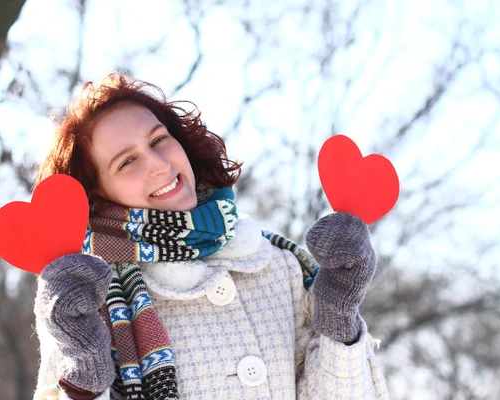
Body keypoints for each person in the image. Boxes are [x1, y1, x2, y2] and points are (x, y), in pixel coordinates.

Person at [32, 73, 389, 400]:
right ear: (97, 196)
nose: (159, 164)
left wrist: (338, 316)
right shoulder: (82, 298)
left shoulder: (280, 266)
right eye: (127, 162)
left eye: (159, 139)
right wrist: (86, 378)